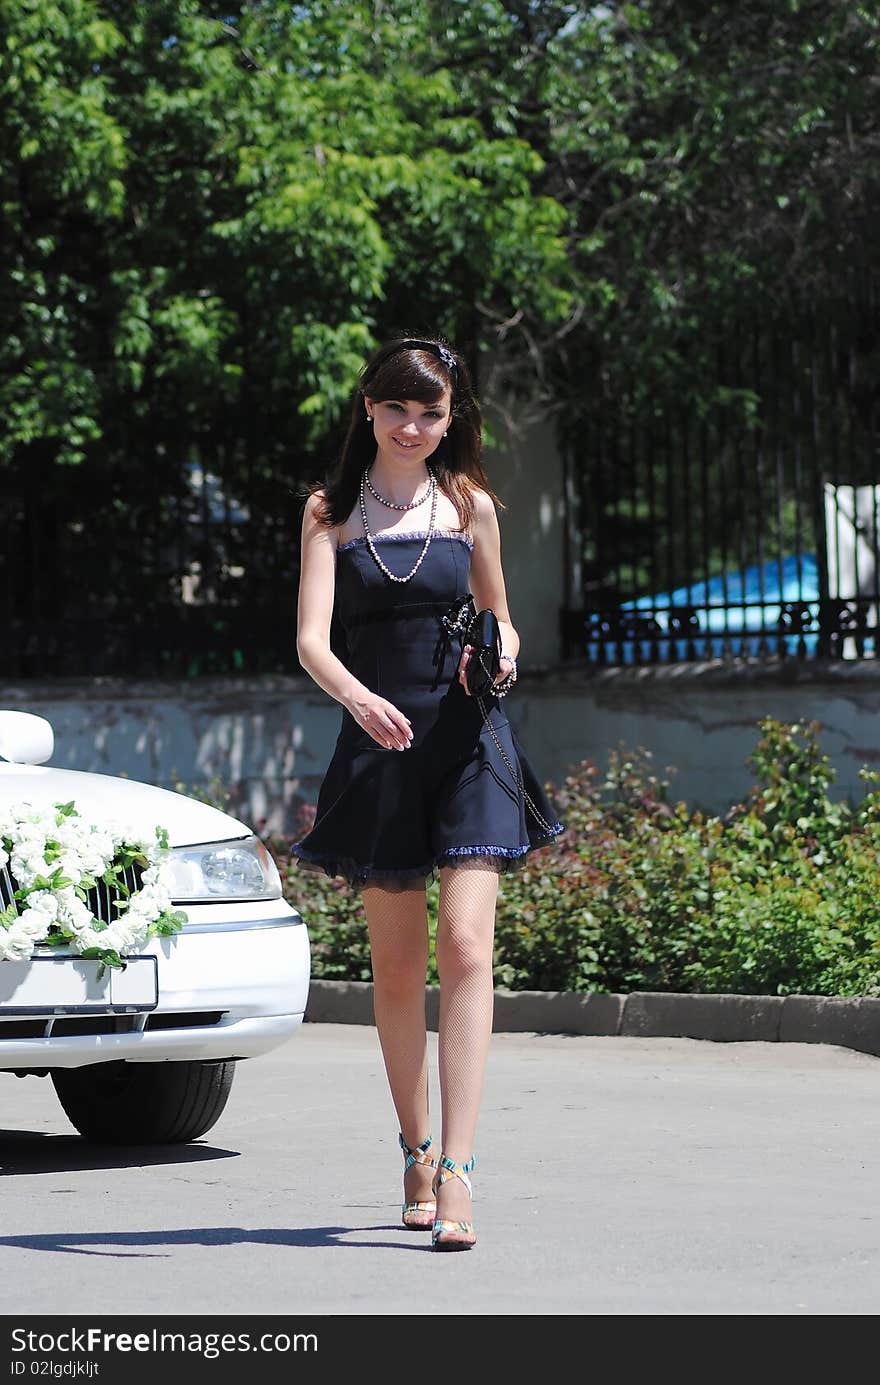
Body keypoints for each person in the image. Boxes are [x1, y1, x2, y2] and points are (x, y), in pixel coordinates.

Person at [292, 335, 562, 1251]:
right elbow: (311, 642)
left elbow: (500, 612)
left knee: (467, 943)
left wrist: (509, 645)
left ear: (452, 420)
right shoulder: (329, 513)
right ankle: (414, 1145)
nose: (414, 426)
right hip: (378, 745)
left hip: (468, 739)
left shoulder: (470, 506)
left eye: (433, 412)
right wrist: (359, 698)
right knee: (400, 966)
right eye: (399, 408)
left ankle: (460, 1168)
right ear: (369, 405)